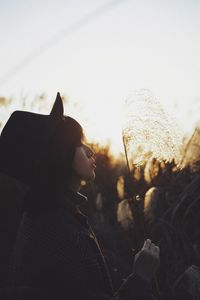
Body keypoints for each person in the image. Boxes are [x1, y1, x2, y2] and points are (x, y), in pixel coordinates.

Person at [0, 93, 160, 299]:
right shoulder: (61, 232)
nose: (90, 150)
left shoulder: (44, 216)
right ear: (59, 155)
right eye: (79, 144)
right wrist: (140, 277)